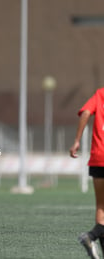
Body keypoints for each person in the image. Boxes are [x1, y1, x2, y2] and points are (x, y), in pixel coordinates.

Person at [70, 88, 104, 259]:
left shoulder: (100, 94)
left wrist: (77, 141)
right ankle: (91, 236)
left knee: (101, 207)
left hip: (98, 158)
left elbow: (85, 113)